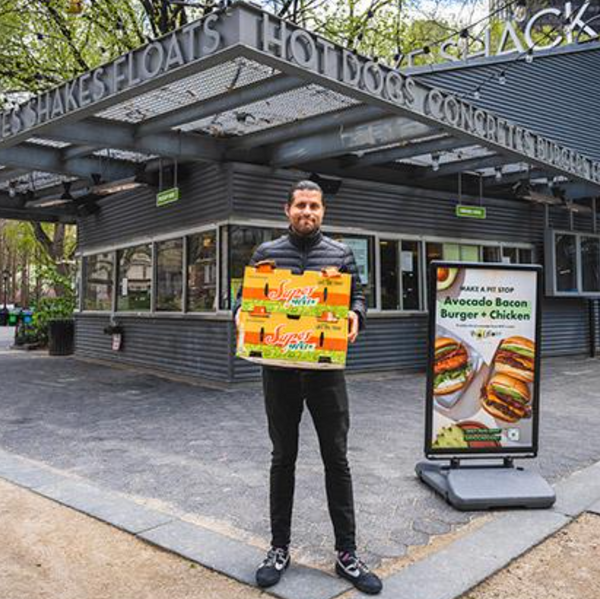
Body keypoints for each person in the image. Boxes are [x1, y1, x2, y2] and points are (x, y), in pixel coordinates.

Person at [234, 180, 382, 595]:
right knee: (283, 458)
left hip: (325, 375)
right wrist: (240, 315)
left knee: (337, 460)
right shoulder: (266, 254)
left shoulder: (340, 254)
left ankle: (347, 554)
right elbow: (246, 300)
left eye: (314, 206)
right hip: (279, 373)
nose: (307, 212)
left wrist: (356, 315)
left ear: (323, 211)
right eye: (300, 205)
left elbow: (359, 296)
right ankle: (279, 548)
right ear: (287, 210)